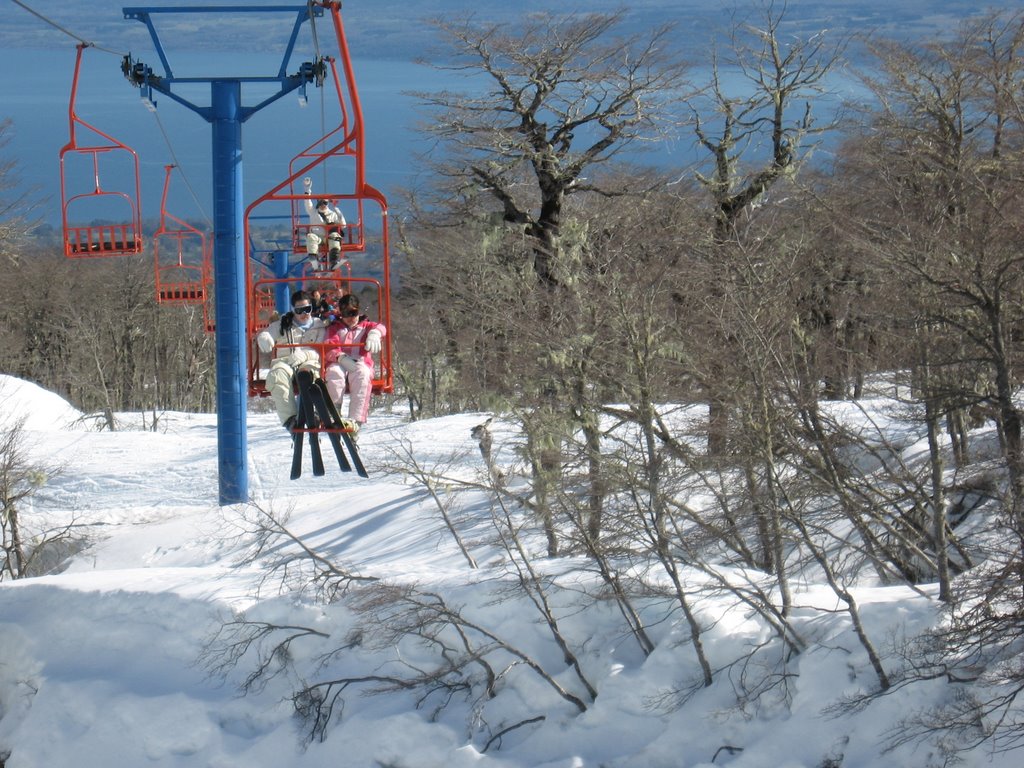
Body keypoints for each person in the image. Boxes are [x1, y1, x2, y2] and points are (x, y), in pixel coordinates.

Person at [256, 290, 330, 432]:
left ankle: (314, 410)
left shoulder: (319, 326)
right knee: (277, 374)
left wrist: (305, 355)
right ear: (293, 310)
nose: (304, 314)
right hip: (286, 361)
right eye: (299, 310)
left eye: (307, 309)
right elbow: (268, 332)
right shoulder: (284, 324)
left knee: (310, 376)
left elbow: (321, 349)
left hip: (310, 360)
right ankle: (290, 419)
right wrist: (264, 337)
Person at [323, 294, 386, 432]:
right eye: (346, 314)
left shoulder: (366, 326)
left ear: (359, 311)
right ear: (340, 314)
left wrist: (375, 334)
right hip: (339, 361)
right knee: (334, 373)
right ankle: (334, 411)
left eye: (354, 313)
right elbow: (329, 346)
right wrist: (340, 357)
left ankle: (356, 419)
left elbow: (381, 327)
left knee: (362, 375)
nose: (351, 318)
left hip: (360, 362)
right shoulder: (335, 328)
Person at [302, 176, 346, 271]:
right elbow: (307, 202)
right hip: (317, 237)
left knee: (335, 235)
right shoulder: (313, 212)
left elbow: (343, 224)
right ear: (318, 202)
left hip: (328, 238)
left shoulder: (332, 214)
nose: (323, 205)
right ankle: (314, 259)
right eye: (321, 202)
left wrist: (337, 209)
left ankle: (334, 261)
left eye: (325, 203)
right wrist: (307, 189)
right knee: (311, 236)